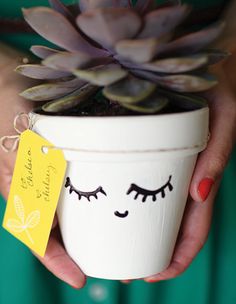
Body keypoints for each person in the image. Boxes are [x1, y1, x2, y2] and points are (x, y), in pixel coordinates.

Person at [0, 0, 235, 303]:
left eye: (149, 191)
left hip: (193, 69)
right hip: (22, 92)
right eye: (86, 192)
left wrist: (230, 55)